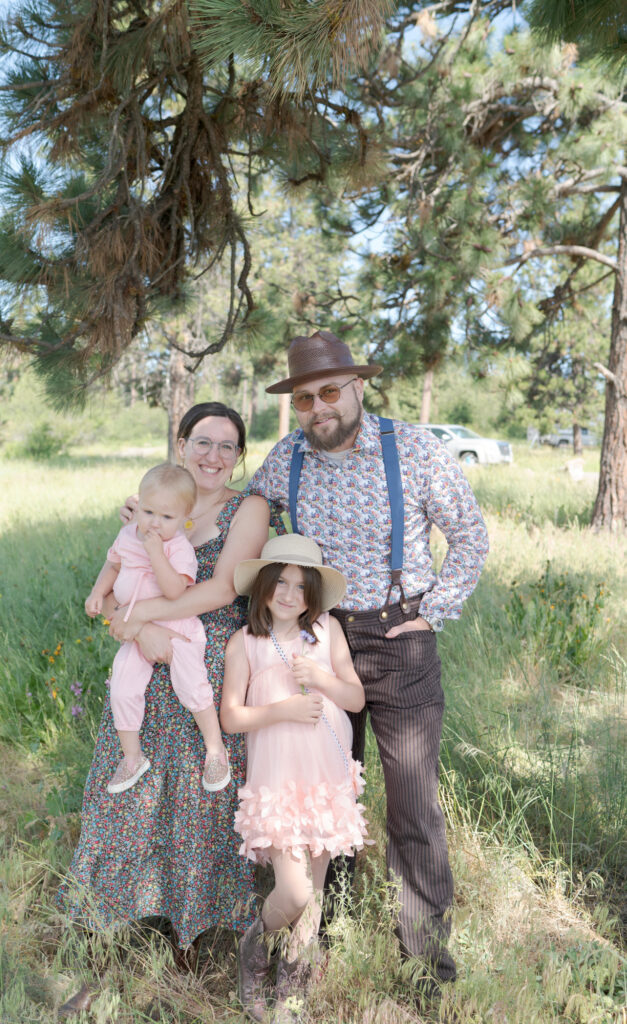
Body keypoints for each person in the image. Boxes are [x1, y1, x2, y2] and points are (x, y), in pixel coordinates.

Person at [247, 330, 489, 998]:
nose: (317, 408)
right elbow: (238, 515)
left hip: (397, 637)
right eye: (303, 399)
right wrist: (150, 530)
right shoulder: (287, 454)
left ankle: (424, 968)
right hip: (319, 641)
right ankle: (315, 938)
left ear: (357, 387)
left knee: (411, 805)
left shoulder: (411, 448)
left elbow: (469, 534)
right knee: (320, 796)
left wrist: (431, 611)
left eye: (328, 392)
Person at [57, 403, 279, 1019]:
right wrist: (126, 627)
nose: (213, 455)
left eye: (227, 446)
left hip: (203, 671)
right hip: (142, 670)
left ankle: (189, 946)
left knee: (192, 806)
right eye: (202, 442)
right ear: (181, 444)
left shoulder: (248, 509)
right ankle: (106, 951)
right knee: (124, 799)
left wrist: (137, 622)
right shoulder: (150, 500)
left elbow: (220, 590)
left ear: (239, 456)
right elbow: (116, 586)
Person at [221, 534, 368, 1023]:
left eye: (300, 588)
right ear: (264, 585)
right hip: (279, 781)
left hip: (326, 776)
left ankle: (291, 988)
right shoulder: (244, 643)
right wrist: (282, 708)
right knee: (295, 892)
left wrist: (322, 679)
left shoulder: (327, 632)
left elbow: (355, 698)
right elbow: (230, 718)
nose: (288, 595)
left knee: (316, 895)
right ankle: (254, 949)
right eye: (280, 583)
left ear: (312, 598)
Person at [85, 462, 231, 795]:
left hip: (176, 625)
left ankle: (214, 749)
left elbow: (175, 591)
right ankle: (132, 757)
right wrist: (97, 592)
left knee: (192, 684)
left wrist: (156, 554)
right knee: (122, 685)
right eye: (148, 511)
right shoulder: (127, 534)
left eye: (167, 517)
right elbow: (114, 565)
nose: (154, 523)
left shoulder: (177, 547)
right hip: (136, 631)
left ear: (184, 517)